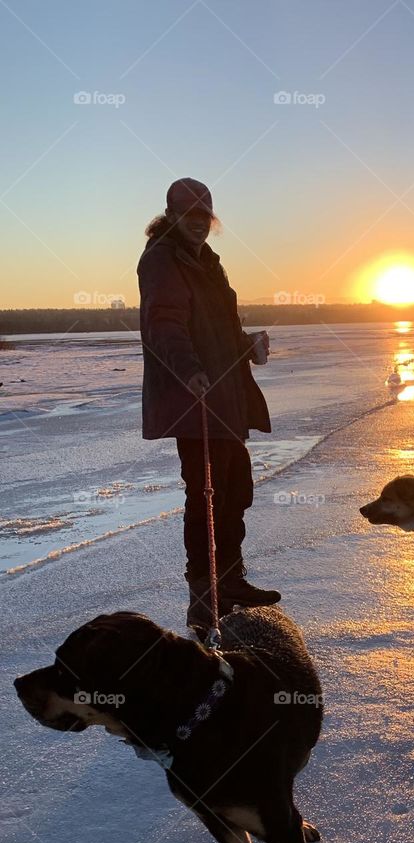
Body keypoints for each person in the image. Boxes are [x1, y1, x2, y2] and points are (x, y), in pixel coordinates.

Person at [138, 177, 280, 630]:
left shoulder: (209, 262)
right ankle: (205, 595)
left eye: (204, 216)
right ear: (172, 216)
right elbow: (164, 324)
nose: (198, 224)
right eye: (189, 216)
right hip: (193, 399)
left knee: (235, 490)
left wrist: (247, 344)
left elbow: (221, 327)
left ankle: (231, 579)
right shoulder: (162, 259)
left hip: (226, 397)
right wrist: (189, 368)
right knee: (205, 496)